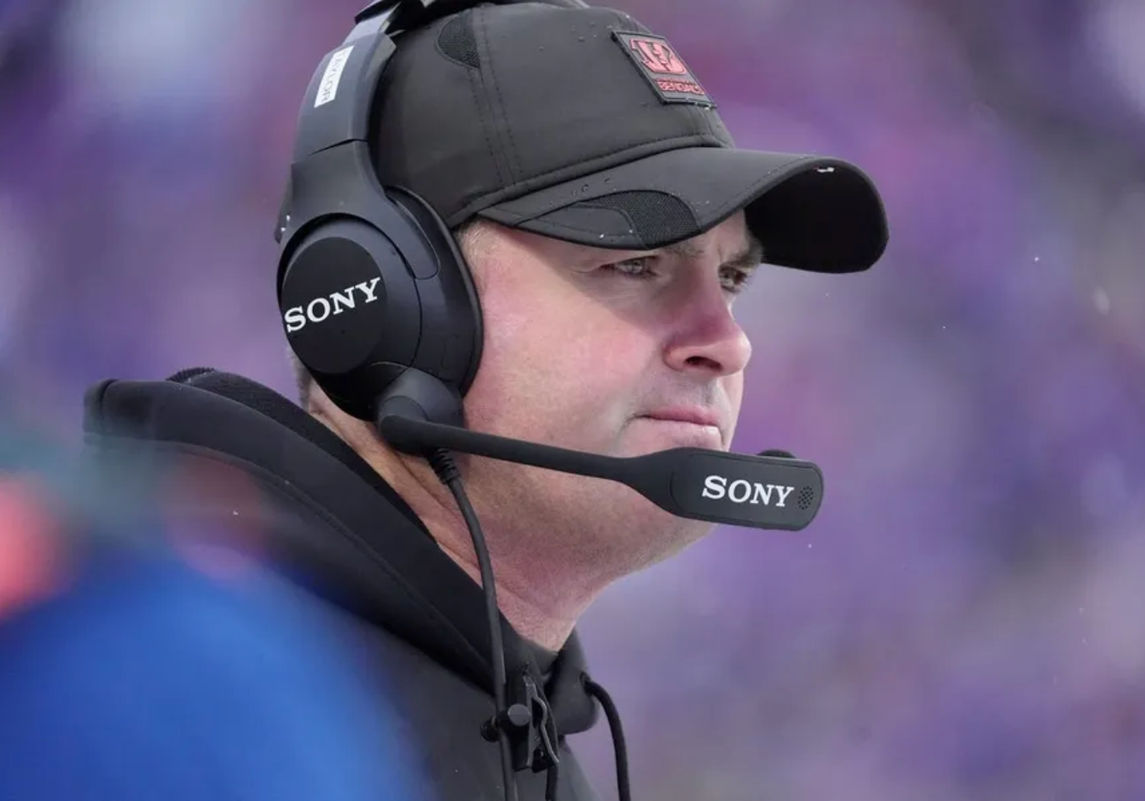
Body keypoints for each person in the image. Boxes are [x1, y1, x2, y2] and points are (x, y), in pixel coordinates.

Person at [85, 1, 887, 799]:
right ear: (385, 301)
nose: (728, 339)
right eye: (635, 261)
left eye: (733, 277)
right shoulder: (166, 696)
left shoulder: (515, 724)